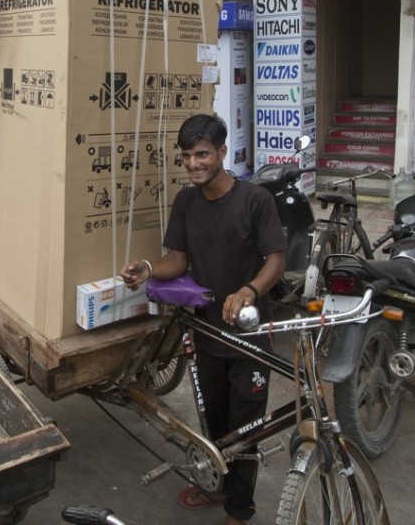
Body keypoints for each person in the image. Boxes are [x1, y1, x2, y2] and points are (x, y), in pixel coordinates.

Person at [120, 114, 285, 525]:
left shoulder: (254, 201)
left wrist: (249, 290)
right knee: (214, 421)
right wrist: (147, 267)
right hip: (206, 331)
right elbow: (178, 259)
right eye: (187, 156)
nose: (194, 163)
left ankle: (239, 510)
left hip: (249, 336)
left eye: (202, 154)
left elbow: (276, 260)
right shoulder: (186, 202)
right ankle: (219, 486)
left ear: (222, 152)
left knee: (244, 429)